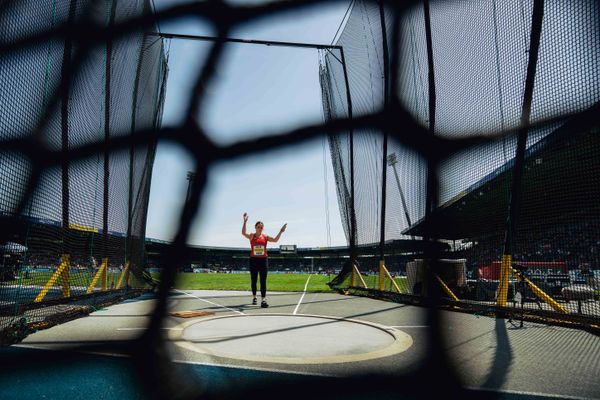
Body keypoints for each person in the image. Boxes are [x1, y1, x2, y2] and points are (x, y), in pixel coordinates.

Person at [241, 213, 287, 308]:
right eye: (258, 227)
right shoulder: (252, 236)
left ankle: (263, 300)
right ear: (255, 227)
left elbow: (275, 240)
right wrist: (245, 222)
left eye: (261, 227)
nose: (260, 228)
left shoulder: (265, 237)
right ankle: (254, 297)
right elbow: (243, 233)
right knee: (254, 280)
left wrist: (281, 231)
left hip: (263, 260)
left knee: (263, 281)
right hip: (253, 260)